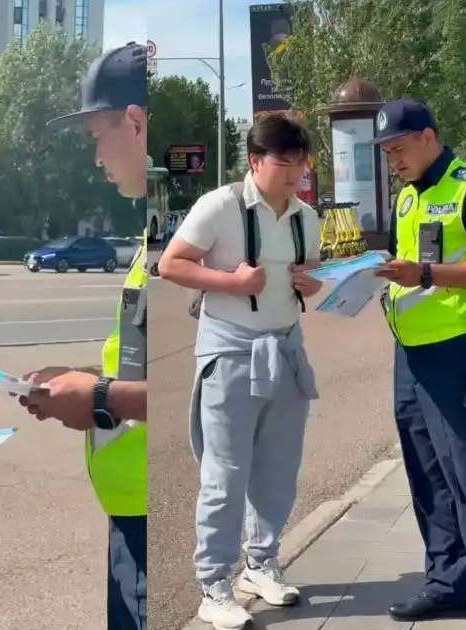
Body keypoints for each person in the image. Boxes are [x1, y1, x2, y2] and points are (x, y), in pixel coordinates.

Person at [156, 114, 323, 630]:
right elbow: (171, 263)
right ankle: (213, 585)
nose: (295, 170)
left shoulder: (305, 217)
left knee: (277, 467)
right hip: (229, 349)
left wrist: (310, 283)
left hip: (287, 347)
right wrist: (231, 281)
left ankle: (260, 563)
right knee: (225, 473)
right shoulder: (221, 205)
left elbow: (311, 276)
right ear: (255, 161)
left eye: (300, 160)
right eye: (284, 160)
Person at [371, 98, 466, 630]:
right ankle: (446, 582)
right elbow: (404, 269)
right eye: (387, 153)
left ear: (429, 137)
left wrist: (427, 274)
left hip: (457, 352)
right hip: (409, 354)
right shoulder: (409, 199)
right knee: (427, 474)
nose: (394, 161)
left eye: (400, 148)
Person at [20, 42, 149, 630]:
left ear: (135, 122)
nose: (95, 156)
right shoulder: (158, 236)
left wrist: (97, 399)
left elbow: (206, 389)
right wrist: (82, 381)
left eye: (98, 136)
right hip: (132, 506)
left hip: (157, 513)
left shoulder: (184, 245)